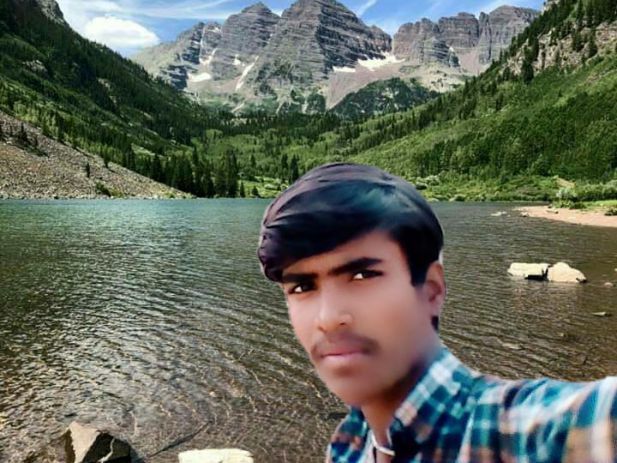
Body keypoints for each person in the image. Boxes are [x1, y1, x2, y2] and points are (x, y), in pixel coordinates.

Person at [257, 162, 617, 463]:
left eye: (362, 275)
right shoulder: (349, 445)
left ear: (431, 291)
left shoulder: (518, 432)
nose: (327, 318)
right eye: (302, 287)